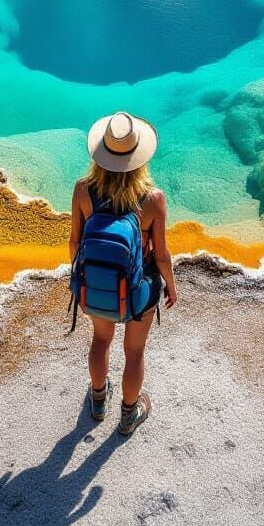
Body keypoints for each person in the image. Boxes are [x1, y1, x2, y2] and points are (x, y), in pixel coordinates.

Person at [69, 111, 177, 436]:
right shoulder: (153, 200)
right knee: (134, 351)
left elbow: (75, 242)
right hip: (139, 289)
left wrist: (82, 281)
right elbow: (161, 256)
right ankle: (129, 417)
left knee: (101, 339)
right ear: (139, 157)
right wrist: (171, 287)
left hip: (98, 283)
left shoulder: (82, 190)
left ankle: (98, 401)